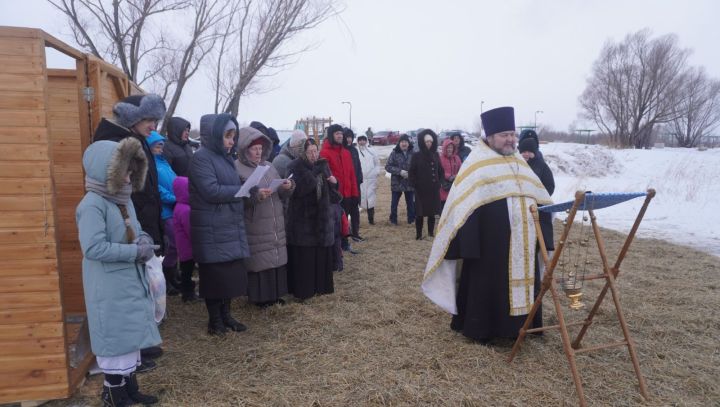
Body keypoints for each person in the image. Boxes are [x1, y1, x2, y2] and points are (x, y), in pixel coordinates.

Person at [421, 106, 552, 343]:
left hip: (524, 241)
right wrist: (471, 245)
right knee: (489, 283)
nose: (511, 139)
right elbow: (463, 206)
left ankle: (524, 326)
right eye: (505, 135)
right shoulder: (477, 163)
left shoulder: (520, 163)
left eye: (513, 134)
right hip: (491, 243)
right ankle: (488, 330)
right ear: (490, 136)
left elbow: (541, 197)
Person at [76, 138, 160, 406]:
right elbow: (94, 248)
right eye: (125, 170)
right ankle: (113, 395)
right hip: (109, 285)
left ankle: (129, 388)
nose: (129, 176)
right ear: (107, 171)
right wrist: (134, 252)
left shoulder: (122, 199)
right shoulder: (92, 204)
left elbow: (134, 229)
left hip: (128, 280)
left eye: (131, 170)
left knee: (129, 337)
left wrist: (144, 238)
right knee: (115, 341)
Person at [91, 93, 166, 368]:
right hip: (127, 229)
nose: (153, 126)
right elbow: (120, 192)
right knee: (132, 293)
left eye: (156, 120)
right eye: (149, 119)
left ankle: (141, 346)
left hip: (140, 223)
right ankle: (134, 352)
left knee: (142, 290)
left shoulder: (137, 140)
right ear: (134, 118)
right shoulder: (114, 142)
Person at [189, 113, 250, 336]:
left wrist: (245, 185)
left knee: (229, 276)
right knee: (215, 277)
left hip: (227, 225)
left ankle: (226, 315)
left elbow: (227, 184)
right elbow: (211, 190)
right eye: (228, 136)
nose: (232, 141)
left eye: (233, 136)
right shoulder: (201, 158)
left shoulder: (225, 158)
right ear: (216, 135)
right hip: (211, 228)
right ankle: (214, 321)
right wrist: (241, 191)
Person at [235, 127, 294, 307]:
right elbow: (238, 198)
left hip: (274, 219)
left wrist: (287, 187)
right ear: (245, 149)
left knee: (275, 258)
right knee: (260, 261)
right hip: (256, 222)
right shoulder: (237, 168)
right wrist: (256, 196)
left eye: (260, 149)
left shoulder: (268, 166)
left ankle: (275, 294)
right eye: (254, 149)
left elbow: (280, 193)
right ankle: (261, 298)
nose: (258, 152)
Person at [286, 139, 339, 299]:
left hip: (322, 220)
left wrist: (335, 184)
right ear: (303, 152)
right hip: (303, 221)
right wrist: (315, 173)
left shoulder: (322, 164)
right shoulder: (294, 166)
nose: (314, 155)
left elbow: (334, 195)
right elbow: (299, 190)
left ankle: (321, 288)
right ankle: (305, 291)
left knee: (320, 256)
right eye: (310, 152)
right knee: (306, 259)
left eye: (316, 151)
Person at [147, 131, 182, 296]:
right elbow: (157, 189)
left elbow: (174, 181)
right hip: (165, 211)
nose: (161, 148)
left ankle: (172, 277)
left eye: (162, 145)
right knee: (172, 246)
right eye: (157, 145)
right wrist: (174, 198)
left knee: (176, 246)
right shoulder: (149, 165)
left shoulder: (163, 163)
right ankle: (167, 280)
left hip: (174, 207)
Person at [320, 124, 361, 250]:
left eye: (341, 134)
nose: (340, 136)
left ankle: (345, 243)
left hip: (348, 193)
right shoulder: (324, 153)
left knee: (344, 220)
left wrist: (355, 193)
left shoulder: (346, 153)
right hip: (334, 195)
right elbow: (325, 177)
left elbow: (352, 175)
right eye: (337, 133)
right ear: (332, 135)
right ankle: (337, 246)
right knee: (335, 222)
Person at [518, 130, 555, 253]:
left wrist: (538, 197)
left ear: (534, 152)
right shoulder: (515, 164)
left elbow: (549, 185)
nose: (526, 154)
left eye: (529, 152)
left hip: (536, 205)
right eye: (523, 151)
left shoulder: (541, 165)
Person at [409, 129, 444, 240]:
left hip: (433, 188)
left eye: (430, 142)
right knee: (419, 213)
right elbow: (411, 171)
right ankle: (418, 235)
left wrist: (440, 182)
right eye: (427, 142)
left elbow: (441, 171)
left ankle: (430, 233)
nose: (429, 143)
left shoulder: (436, 155)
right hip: (420, 189)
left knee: (432, 213)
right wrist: (414, 184)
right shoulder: (416, 155)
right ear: (422, 142)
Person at [171, 176, 200, 303]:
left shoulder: (179, 206)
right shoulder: (186, 210)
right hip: (188, 248)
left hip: (183, 248)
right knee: (187, 272)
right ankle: (188, 295)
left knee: (185, 271)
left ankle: (186, 293)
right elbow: (191, 230)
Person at [385, 134, 415, 225]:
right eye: (402, 142)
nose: (404, 144)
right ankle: (393, 220)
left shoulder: (413, 153)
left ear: (409, 143)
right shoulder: (394, 153)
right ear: (399, 143)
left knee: (410, 203)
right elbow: (388, 166)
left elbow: (418, 167)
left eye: (406, 142)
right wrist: (400, 171)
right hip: (397, 183)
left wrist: (411, 173)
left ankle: (411, 219)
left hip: (409, 183)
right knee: (394, 203)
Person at [342, 127, 364, 241]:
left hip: (355, 186)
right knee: (344, 212)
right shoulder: (341, 150)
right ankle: (345, 235)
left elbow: (358, 166)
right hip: (346, 187)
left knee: (355, 211)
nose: (349, 139)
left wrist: (359, 179)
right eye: (347, 137)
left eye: (350, 137)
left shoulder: (354, 150)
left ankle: (356, 233)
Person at [356, 134, 380, 225]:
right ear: (357, 141)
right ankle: (357, 221)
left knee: (371, 200)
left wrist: (376, 172)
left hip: (371, 179)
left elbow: (377, 163)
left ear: (366, 141)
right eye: (360, 140)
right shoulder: (355, 151)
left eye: (363, 140)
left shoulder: (372, 151)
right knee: (359, 200)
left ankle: (371, 219)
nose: (362, 142)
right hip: (360, 180)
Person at [439, 138, 462, 210]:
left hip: (454, 185)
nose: (450, 149)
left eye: (451, 148)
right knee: (444, 208)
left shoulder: (457, 158)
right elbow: (439, 171)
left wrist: (456, 176)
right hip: (444, 186)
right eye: (448, 147)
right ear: (444, 148)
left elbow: (461, 169)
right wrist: (449, 176)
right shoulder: (440, 158)